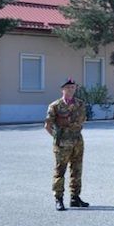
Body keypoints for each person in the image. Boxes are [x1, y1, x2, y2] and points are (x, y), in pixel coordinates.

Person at [45, 78, 89, 211]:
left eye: (73, 87)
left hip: (77, 142)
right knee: (60, 171)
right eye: (68, 87)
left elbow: (82, 121)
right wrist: (57, 137)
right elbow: (47, 125)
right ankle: (59, 199)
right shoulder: (55, 106)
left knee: (77, 170)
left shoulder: (80, 104)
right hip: (62, 144)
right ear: (62, 89)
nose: (71, 90)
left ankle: (75, 197)